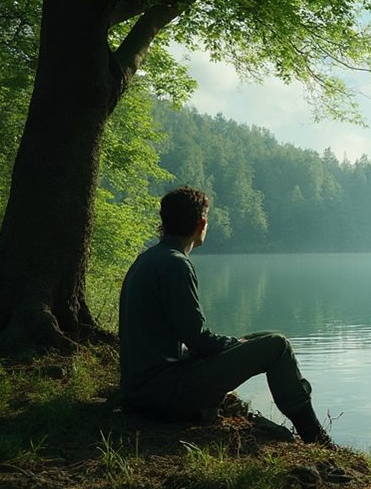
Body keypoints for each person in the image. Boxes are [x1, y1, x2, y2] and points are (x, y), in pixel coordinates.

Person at [119, 186, 332, 446]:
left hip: (141, 389)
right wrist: (232, 345)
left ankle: (309, 432)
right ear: (202, 223)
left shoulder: (149, 258)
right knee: (277, 345)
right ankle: (315, 437)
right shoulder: (175, 264)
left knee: (260, 338)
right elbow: (196, 337)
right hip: (162, 394)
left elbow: (184, 336)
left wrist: (234, 344)